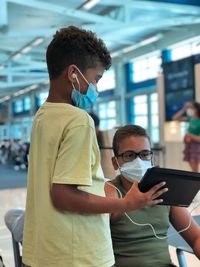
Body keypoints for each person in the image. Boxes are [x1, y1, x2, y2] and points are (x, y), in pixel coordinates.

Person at [22, 26, 167, 267]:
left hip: (46, 251)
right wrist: (127, 203)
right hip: (78, 255)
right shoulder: (79, 120)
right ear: (73, 74)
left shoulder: (43, 117)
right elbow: (63, 195)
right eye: (96, 79)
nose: (96, 89)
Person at [105, 124, 200, 267]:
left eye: (144, 154)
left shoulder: (163, 190)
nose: (138, 161)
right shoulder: (111, 192)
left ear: (151, 158)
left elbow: (196, 238)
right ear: (115, 162)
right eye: (129, 155)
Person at [172, 101, 200, 172]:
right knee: (193, 169)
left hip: (196, 147)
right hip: (189, 145)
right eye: (188, 107)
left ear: (196, 109)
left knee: (195, 170)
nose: (189, 109)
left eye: (190, 107)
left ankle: (196, 182)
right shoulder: (190, 119)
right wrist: (184, 109)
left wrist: (189, 135)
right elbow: (175, 118)